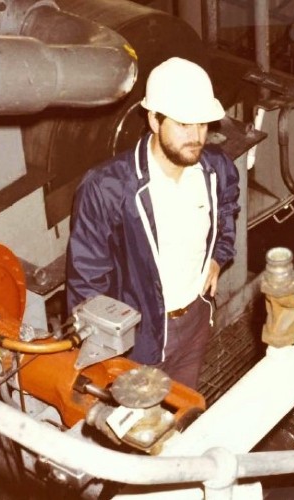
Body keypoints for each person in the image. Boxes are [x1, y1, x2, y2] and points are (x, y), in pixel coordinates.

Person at [66, 57, 240, 390]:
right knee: (139, 428)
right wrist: (105, 353)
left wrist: (219, 255)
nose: (197, 136)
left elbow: (228, 206)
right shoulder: (107, 187)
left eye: (202, 124)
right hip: (139, 339)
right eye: (184, 124)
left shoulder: (216, 168)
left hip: (196, 320)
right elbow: (87, 281)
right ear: (154, 120)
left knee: (182, 403)